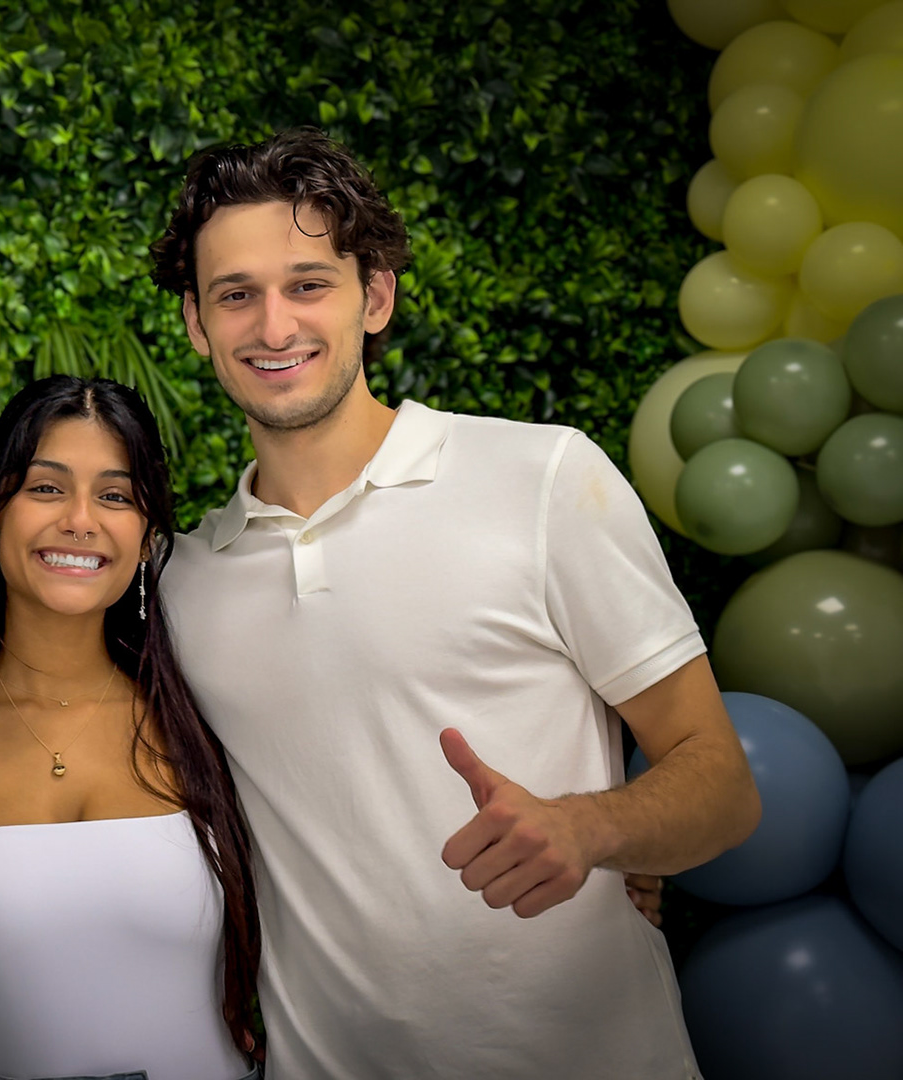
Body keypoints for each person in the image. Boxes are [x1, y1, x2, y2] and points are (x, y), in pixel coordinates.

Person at [149, 128, 761, 1078]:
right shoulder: (181, 584)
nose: (273, 326)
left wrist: (590, 828)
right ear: (197, 322)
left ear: (375, 297)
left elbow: (722, 784)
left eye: (308, 284)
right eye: (236, 294)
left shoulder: (541, 478)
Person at [0, 375, 262, 1080]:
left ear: (147, 537)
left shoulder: (211, 718)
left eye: (116, 496)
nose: (80, 519)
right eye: (46, 488)